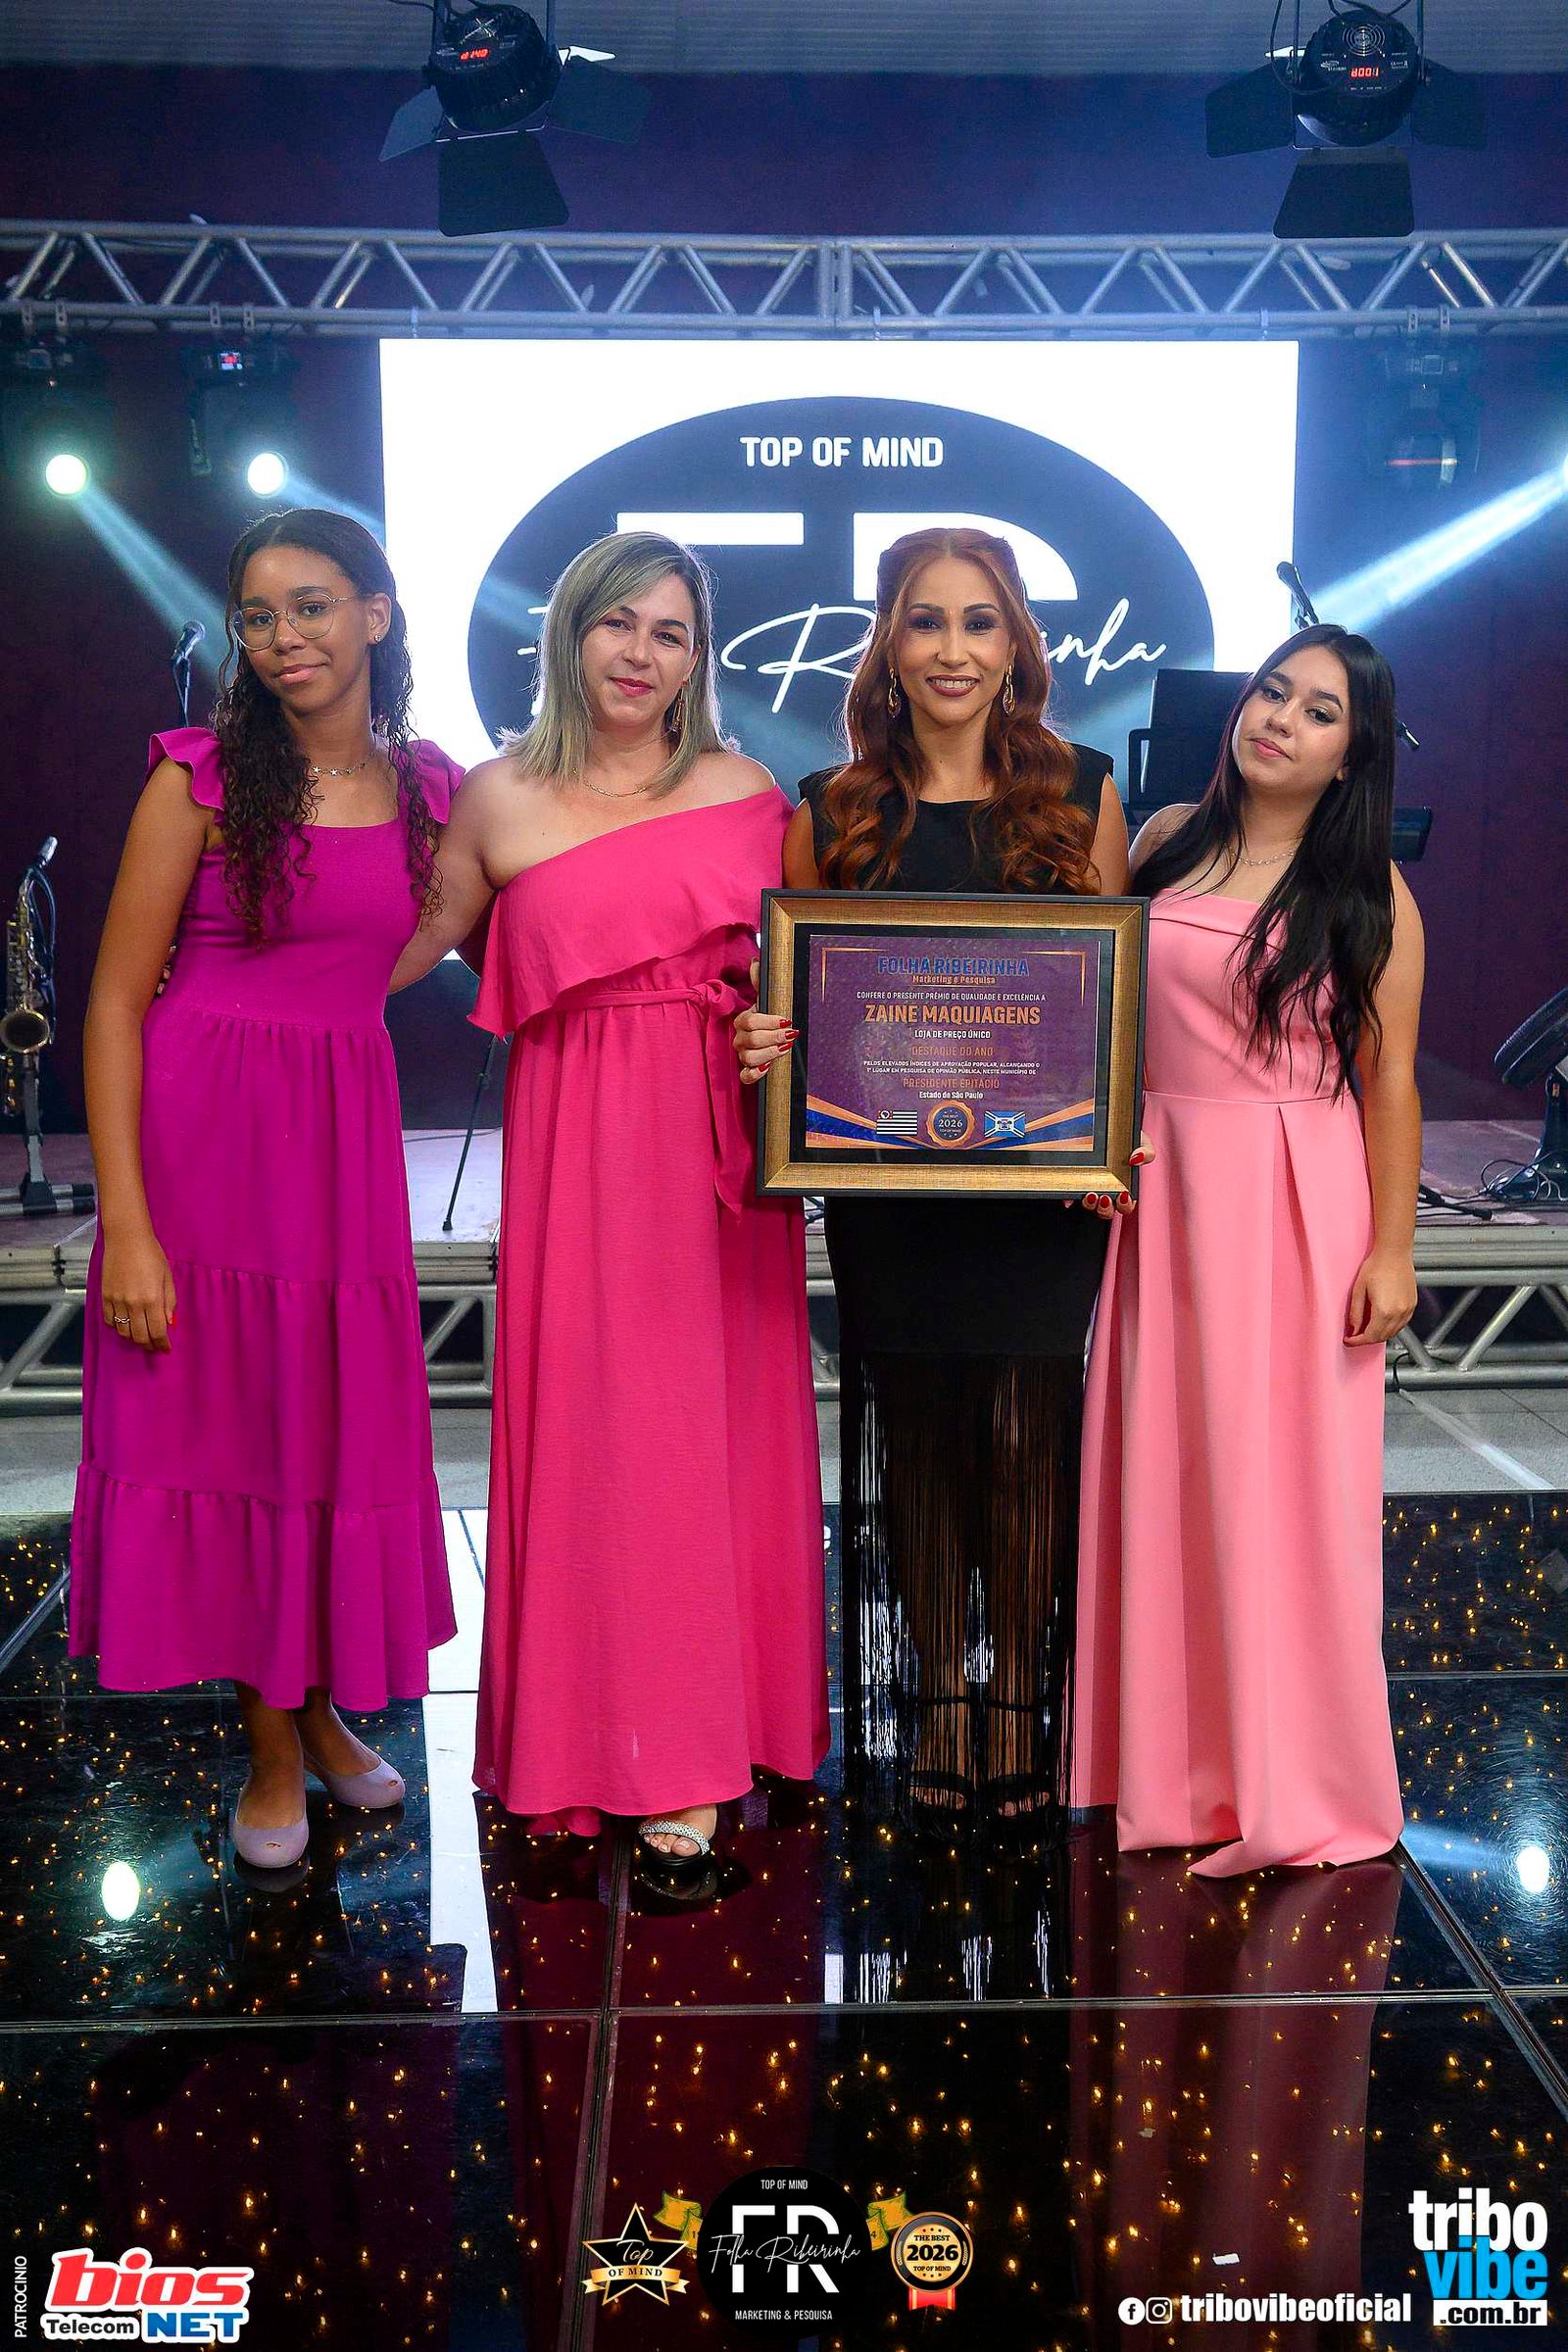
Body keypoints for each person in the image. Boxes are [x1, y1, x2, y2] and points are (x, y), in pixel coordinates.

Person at [390, 531, 827, 1878]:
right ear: (568, 633)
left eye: (671, 632)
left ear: (699, 659)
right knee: (597, 1435)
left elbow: (815, 982)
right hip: (576, 1147)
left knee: (708, 1437)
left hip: (712, 1149)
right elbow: (393, 952)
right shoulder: (495, 799)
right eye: (617, 623)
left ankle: (704, 1747)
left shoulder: (748, 792)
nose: (641, 654)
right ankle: (583, 1740)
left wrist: (772, 1031)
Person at [71, 509, 461, 1873]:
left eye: (310, 605)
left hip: (338, 1151)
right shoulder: (196, 779)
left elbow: (410, 946)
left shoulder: (433, 788)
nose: (283, 636)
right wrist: (128, 1225)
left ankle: (325, 1710)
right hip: (202, 1150)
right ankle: (276, 1748)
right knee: (235, 1440)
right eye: (257, 614)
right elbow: (112, 1006)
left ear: (376, 612)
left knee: (325, 1436)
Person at [735, 526, 1132, 1833]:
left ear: (1016, 643)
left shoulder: (1080, 791)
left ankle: (1017, 1696)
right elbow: (800, 1009)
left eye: (978, 621)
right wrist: (766, 1046)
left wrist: (1110, 1135)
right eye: (925, 620)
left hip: (1040, 1196)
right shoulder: (829, 808)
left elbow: (1112, 1002)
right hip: (892, 1196)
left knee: (1022, 1444)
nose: (952, 649)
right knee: (914, 1448)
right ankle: (939, 1703)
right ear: (888, 648)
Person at [1072, 624, 1422, 1876]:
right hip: (1163, 1195)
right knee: (1168, 1473)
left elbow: (1390, 1086)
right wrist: (1091, 1146)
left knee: (1289, 1498)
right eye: (1272, 692)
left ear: (1351, 757)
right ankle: (1176, 1775)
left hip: (1293, 1200)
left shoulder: (1371, 894)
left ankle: (1297, 1779)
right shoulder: (1165, 840)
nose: (1279, 719)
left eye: (1319, 712)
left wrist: (1393, 1249)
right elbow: (1098, 1012)